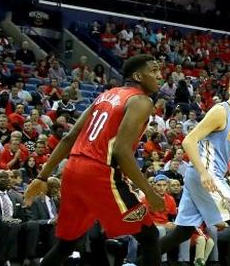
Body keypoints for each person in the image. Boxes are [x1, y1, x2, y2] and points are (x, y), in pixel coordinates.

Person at [23, 54, 166, 266]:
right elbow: (121, 151)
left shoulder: (105, 95)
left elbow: (70, 137)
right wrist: (149, 192)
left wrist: (43, 176)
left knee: (67, 243)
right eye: (153, 71)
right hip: (99, 172)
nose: (160, 76)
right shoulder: (142, 101)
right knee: (149, 236)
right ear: (137, 76)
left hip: (73, 169)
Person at [159, 73, 230, 266]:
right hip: (206, 175)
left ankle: (140, 261)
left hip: (205, 176)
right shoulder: (220, 112)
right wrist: (203, 172)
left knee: (183, 231)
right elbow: (188, 140)